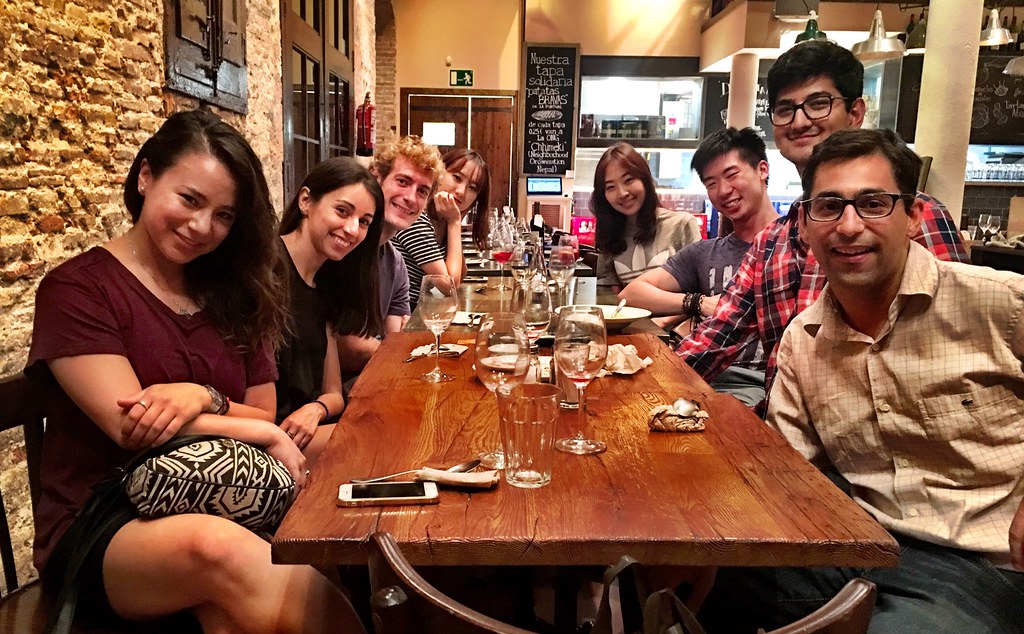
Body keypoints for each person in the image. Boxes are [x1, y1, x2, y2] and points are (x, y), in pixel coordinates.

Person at [25, 110, 364, 632]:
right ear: (145, 176)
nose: (203, 227)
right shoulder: (78, 290)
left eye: (224, 215)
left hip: (222, 491)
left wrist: (204, 396)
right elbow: (131, 424)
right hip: (105, 517)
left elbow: (264, 410)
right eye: (189, 199)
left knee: (237, 604)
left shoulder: (234, 289)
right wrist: (260, 431)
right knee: (218, 550)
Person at [700, 128, 1024, 633]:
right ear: (804, 224)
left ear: (913, 216)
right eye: (829, 207)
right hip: (862, 545)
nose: (849, 226)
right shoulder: (804, 341)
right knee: (699, 576)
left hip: (986, 562)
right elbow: (789, 474)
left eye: (873, 204)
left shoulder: (997, 302)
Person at [676, 40, 968, 406]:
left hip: (896, 429)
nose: (800, 122)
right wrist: (644, 382)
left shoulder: (905, 216)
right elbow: (715, 340)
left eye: (818, 103)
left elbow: (960, 337)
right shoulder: (771, 241)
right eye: (786, 109)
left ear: (855, 112)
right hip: (784, 428)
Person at [620, 128, 778, 406]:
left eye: (732, 175)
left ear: (762, 170)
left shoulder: (795, 246)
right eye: (711, 183)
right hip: (698, 375)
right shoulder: (705, 253)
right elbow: (631, 294)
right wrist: (699, 303)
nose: (723, 190)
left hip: (761, 386)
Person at [276, 157, 384, 464]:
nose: (352, 229)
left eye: (364, 222)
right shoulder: (264, 270)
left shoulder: (325, 284)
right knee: (383, 442)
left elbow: (334, 393)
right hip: (264, 438)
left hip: (304, 430)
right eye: (342, 211)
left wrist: (316, 409)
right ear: (306, 201)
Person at [336, 135, 444, 378]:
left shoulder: (395, 264)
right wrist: (388, 349)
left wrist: (386, 349)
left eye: (422, 191)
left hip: (370, 378)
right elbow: (348, 348)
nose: (410, 197)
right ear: (376, 178)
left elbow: (393, 339)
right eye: (403, 181)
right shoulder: (343, 247)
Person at [592, 142, 702, 292]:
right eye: (611, 187)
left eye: (628, 180)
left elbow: (702, 288)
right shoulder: (610, 235)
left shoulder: (681, 224)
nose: (622, 193)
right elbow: (609, 297)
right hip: (629, 309)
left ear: (645, 179)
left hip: (684, 308)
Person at [393, 148, 490, 307]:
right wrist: (454, 223)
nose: (461, 191)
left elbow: (462, 273)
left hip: (421, 310)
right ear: (438, 173)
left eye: (472, 188)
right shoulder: (416, 218)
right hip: (405, 316)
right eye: (457, 178)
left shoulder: (441, 219)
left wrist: (454, 219)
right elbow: (449, 285)